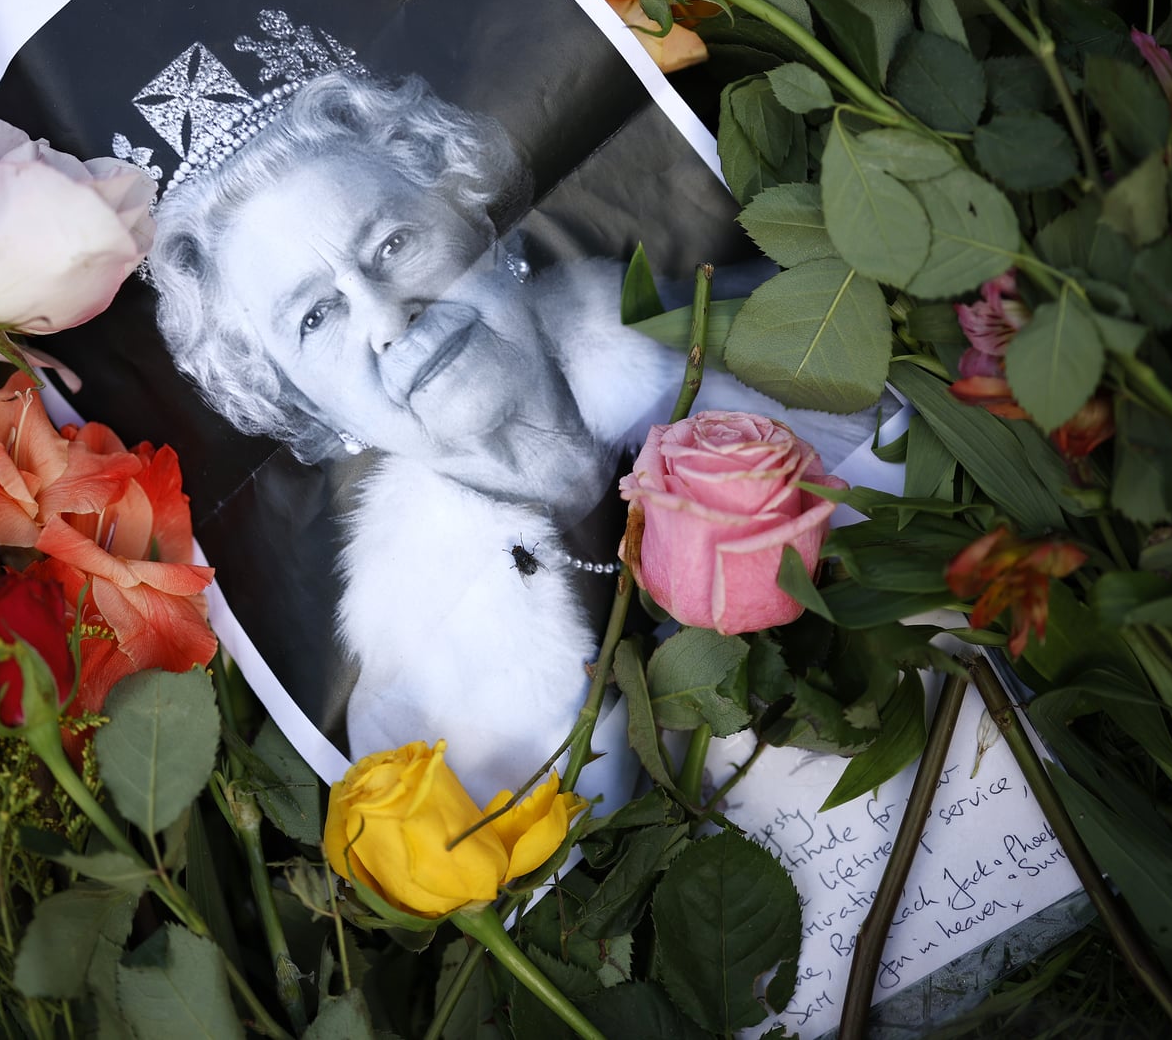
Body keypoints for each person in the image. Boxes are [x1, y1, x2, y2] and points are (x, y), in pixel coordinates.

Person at [148, 66, 874, 801]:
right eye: (314, 317)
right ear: (309, 407)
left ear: (477, 224)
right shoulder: (411, 729)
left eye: (394, 243)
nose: (386, 317)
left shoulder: (780, 351)